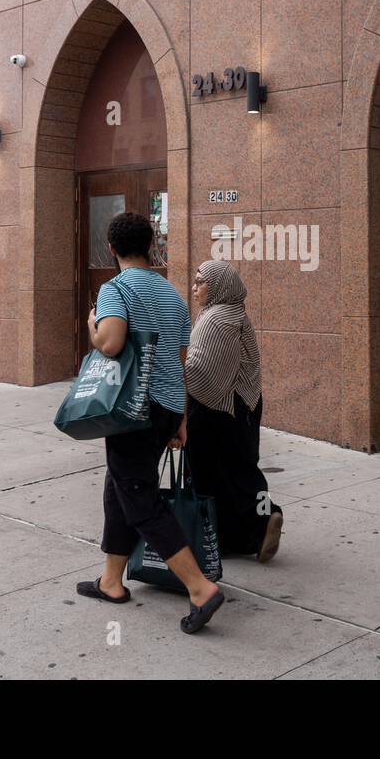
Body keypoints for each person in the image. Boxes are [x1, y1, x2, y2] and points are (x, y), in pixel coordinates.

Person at [75, 212, 225, 634]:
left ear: (112, 249)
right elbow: (180, 363)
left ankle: (200, 589)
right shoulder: (172, 295)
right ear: (152, 243)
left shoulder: (115, 288)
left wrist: (92, 324)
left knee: (139, 496)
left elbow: (111, 341)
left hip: (131, 412)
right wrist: (181, 419)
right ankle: (112, 581)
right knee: (119, 486)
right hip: (165, 408)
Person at [183, 260, 283, 562]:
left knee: (213, 474)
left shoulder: (216, 319)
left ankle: (266, 518)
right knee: (243, 469)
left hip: (218, 406)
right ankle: (244, 533)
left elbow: (200, 372)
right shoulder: (235, 312)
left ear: (219, 287)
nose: (194, 287)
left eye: (201, 281)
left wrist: (174, 373)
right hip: (244, 404)